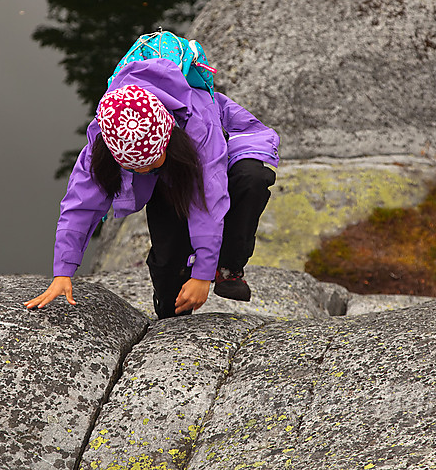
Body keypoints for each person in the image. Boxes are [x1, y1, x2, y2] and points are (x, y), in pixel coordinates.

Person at [24, 56, 279, 318]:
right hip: (169, 165)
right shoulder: (104, 141)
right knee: (170, 270)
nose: (145, 169)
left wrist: (203, 274)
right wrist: (63, 272)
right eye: (136, 167)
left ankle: (228, 268)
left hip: (216, 147)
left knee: (252, 179)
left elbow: (208, 199)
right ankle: (168, 308)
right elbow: (79, 206)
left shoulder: (199, 124)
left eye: (152, 161)